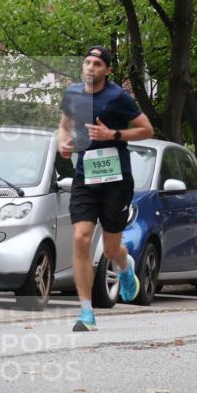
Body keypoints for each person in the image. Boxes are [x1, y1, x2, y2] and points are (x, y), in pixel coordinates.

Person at [58, 45, 154, 331]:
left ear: (107, 70)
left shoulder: (119, 97)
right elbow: (64, 126)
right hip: (85, 176)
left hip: (115, 178)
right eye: (87, 62)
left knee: (112, 248)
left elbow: (146, 129)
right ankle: (86, 311)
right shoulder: (72, 94)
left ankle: (125, 268)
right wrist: (63, 143)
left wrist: (112, 134)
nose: (90, 67)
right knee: (81, 238)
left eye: (97, 64)